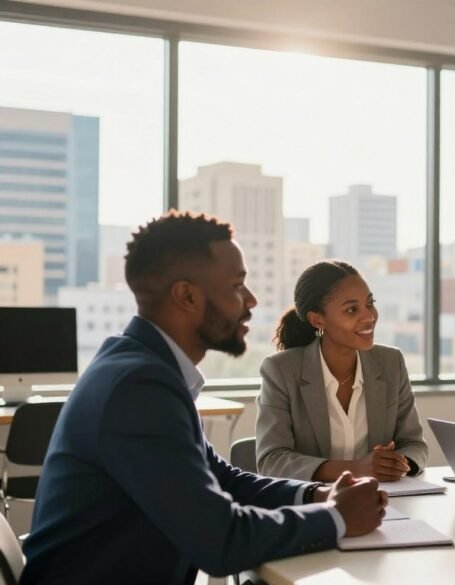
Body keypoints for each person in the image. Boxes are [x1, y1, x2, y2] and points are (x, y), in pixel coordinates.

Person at [21, 212, 387, 585]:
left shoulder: (143, 367)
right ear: (187, 295)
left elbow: (223, 480)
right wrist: (337, 518)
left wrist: (316, 494)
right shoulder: (139, 387)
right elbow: (220, 542)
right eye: (237, 286)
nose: (252, 300)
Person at [257, 260, 427, 482]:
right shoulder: (280, 370)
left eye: (370, 304)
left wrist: (399, 464)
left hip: (383, 500)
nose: (369, 317)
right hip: (313, 504)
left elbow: (414, 444)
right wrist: (355, 469)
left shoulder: (390, 362)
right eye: (351, 309)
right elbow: (272, 460)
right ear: (317, 319)